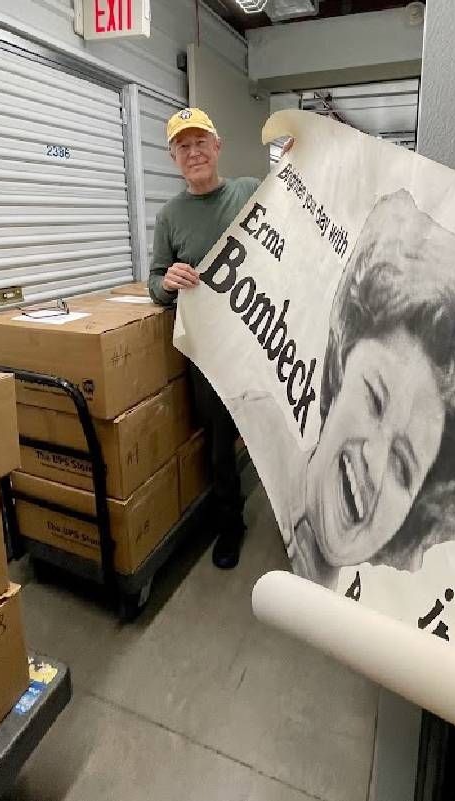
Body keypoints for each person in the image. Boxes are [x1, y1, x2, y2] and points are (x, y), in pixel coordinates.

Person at [227, 189, 455, 587]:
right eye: (375, 400)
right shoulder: (255, 421)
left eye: (403, 466)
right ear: (341, 368)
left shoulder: (371, 629)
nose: (374, 464)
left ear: (413, 511)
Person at [148, 108, 292, 569]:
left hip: (262, 341)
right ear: (174, 157)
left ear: (218, 146)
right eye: (183, 146)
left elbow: (295, 209)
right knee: (219, 440)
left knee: (279, 432)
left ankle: (296, 525)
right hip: (208, 354)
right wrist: (166, 281)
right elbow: (153, 283)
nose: (194, 153)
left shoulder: (250, 190)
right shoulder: (170, 217)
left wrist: (299, 160)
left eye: (200, 142)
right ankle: (231, 523)